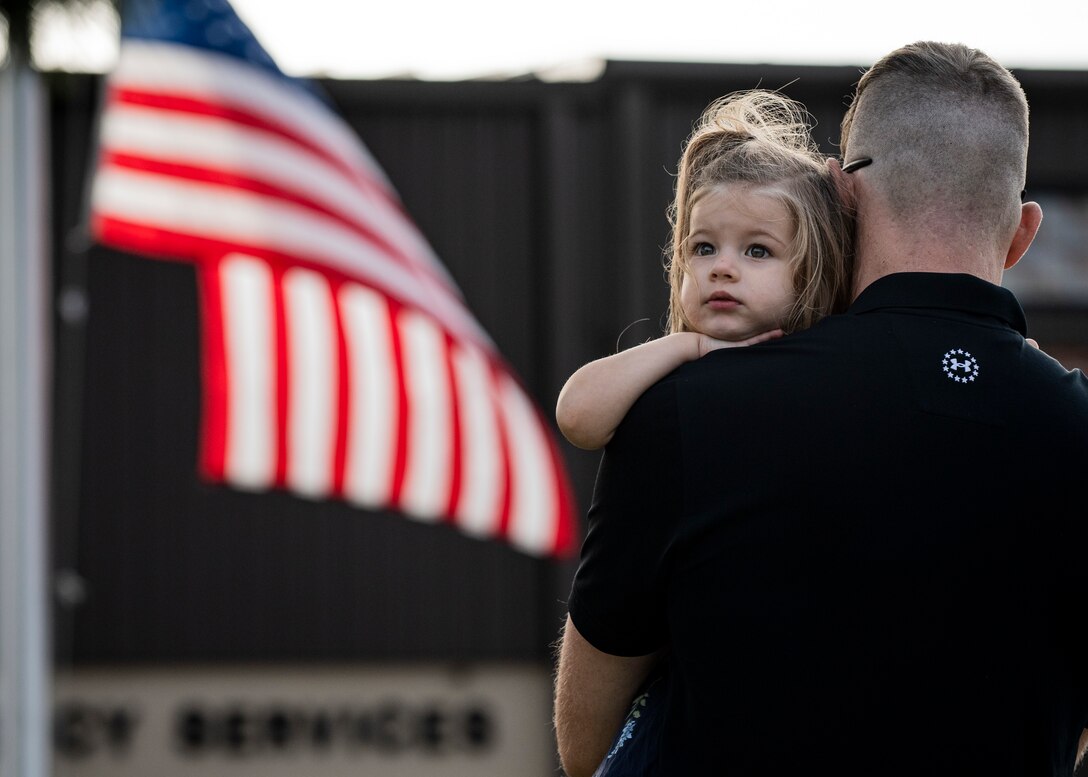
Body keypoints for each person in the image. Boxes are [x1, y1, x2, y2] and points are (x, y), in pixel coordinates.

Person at [554, 41, 1088, 777]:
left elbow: (587, 744)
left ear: (841, 195)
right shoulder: (1075, 432)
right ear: (1023, 232)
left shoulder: (686, 407)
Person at [556, 89, 853, 452]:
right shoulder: (672, 364)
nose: (721, 268)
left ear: (813, 270)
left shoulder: (832, 371)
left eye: (757, 250)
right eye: (704, 248)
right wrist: (690, 344)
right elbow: (576, 417)